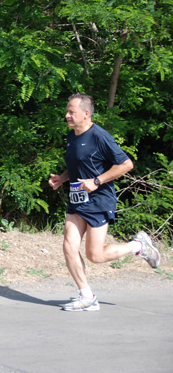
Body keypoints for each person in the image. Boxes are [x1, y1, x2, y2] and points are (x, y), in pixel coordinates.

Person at [49, 93, 161, 312]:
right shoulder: (72, 136)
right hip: (77, 198)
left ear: (86, 113)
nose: (67, 115)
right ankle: (86, 296)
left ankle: (138, 246)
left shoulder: (100, 136)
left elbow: (126, 164)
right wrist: (62, 178)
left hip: (99, 198)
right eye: (67, 111)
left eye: (71, 111)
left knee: (95, 255)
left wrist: (97, 181)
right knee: (69, 245)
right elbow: (81, 165)